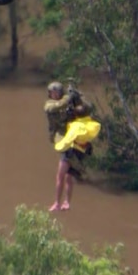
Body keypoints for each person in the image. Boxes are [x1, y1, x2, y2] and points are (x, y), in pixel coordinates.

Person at [44, 80, 97, 212]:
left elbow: (88, 108)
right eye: (52, 93)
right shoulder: (50, 104)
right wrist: (69, 97)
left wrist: (78, 96)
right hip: (61, 136)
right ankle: (57, 202)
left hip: (73, 136)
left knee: (68, 176)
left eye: (57, 92)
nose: (55, 95)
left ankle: (67, 202)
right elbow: (56, 107)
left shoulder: (69, 102)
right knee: (61, 174)